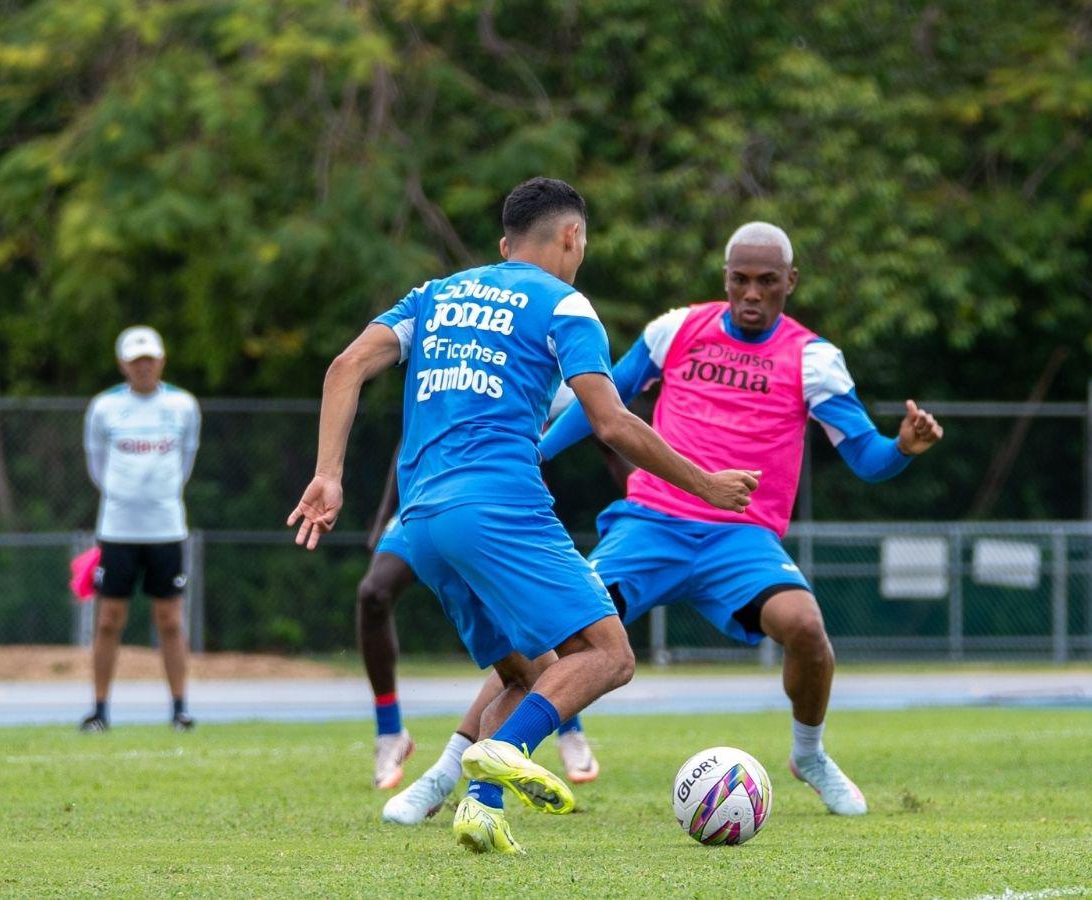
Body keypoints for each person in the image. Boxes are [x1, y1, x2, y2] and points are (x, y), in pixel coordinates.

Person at [387, 220, 944, 820]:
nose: (751, 293)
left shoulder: (813, 359)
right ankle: (446, 774)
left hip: (741, 536)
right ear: (725, 280)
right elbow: (603, 399)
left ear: (791, 282)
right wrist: (538, 450)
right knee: (548, 634)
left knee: (805, 626)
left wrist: (902, 449)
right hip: (650, 524)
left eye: (766, 282)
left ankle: (809, 754)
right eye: (740, 280)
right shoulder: (676, 330)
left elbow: (865, 455)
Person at [288, 177, 757, 853]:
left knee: (526, 672)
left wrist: (328, 476)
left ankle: (479, 808)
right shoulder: (566, 305)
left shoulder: (436, 295)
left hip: (421, 526)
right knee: (607, 654)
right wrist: (704, 485)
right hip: (498, 509)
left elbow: (345, 366)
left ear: (507, 243)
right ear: (572, 236)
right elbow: (611, 422)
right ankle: (504, 749)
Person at [358, 427, 612, 792]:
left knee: (538, 627)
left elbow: (605, 424)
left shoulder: (549, 373)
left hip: (499, 499)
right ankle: (392, 734)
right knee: (373, 592)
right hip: (427, 496)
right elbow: (412, 424)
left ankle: (562, 727)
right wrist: (383, 510)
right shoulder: (431, 369)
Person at [81, 326, 201, 732]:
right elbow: (97, 466)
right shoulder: (104, 408)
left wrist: (157, 499)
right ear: (123, 365)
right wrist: (124, 499)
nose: (144, 367)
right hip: (116, 530)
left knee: (169, 619)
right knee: (109, 619)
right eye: (136, 360)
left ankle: (180, 708)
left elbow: (186, 462)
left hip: (167, 529)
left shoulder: (183, 406)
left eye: (150, 359)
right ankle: (99, 710)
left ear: (161, 361)